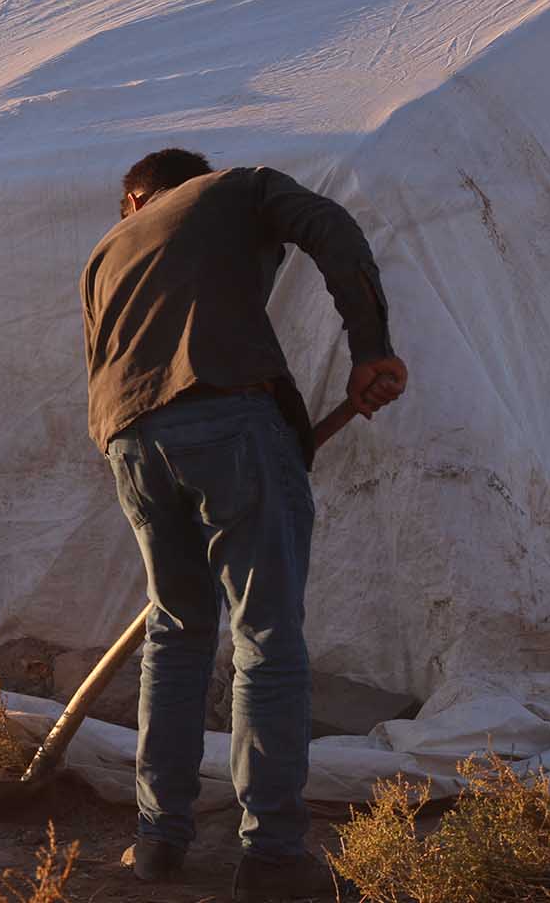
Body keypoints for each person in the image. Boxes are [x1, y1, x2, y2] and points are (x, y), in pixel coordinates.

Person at [81, 149, 407, 902]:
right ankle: (272, 854)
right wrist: (370, 349)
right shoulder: (238, 188)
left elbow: (100, 365)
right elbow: (331, 227)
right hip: (228, 416)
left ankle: (159, 840)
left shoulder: (104, 252)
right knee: (265, 636)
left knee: (177, 628)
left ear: (134, 198)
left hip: (129, 442)